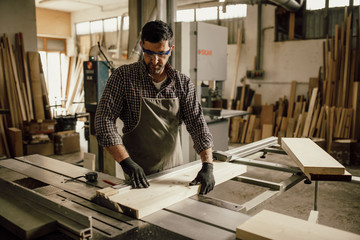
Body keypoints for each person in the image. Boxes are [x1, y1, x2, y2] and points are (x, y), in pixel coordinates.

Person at [95, 20, 215, 195]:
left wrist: (208, 165)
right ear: (142, 45)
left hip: (174, 172)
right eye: (149, 53)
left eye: (161, 54)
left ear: (170, 50)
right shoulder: (123, 77)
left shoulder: (182, 83)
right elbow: (103, 120)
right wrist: (125, 162)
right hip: (137, 174)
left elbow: (197, 124)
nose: (155, 60)